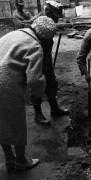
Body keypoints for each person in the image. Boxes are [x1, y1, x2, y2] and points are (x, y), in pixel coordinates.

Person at [0, 16, 57, 172]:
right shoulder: (35, 46)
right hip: (6, 85)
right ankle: (21, 161)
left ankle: (9, 160)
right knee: (17, 122)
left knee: (1, 122)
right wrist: (40, 93)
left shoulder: (12, 34)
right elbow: (35, 79)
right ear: (44, 38)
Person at [30, 1, 69, 126]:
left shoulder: (47, 21)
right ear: (47, 13)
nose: (56, 20)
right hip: (36, 60)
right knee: (38, 85)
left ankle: (54, 110)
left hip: (46, 59)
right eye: (55, 17)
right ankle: (38, 114)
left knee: (52, 83)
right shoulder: (36, 24)